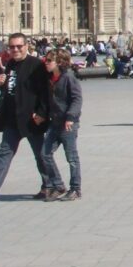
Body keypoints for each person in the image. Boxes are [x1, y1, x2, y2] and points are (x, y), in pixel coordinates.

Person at [0, 32, 51, 203]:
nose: (15, 49)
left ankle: (49, 185)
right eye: (12, 47)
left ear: (26, 46)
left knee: (40, 155)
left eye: (18, 46)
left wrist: (42, 114)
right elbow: (10, 91)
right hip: (12, 118)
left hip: (31, 119)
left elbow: (45, 93)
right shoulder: (9, 65)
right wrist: (2, 84)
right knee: (4, 153)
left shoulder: (36, 65)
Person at [42, 49, 83, 201]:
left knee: (71, 158)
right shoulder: (51, 77)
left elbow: (77, 99)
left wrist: (71, 117)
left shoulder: (68, 77)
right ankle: (58, 186)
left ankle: (75, 189)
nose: (45, 63)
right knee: (45, 154)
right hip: (55, 122)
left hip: (68, 123)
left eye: (48, 61)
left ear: (59, 62)